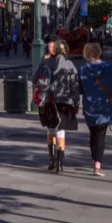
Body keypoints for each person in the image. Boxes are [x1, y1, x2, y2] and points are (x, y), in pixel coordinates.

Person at [79, 42, 112, 178]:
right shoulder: (108, 68)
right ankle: (97, 164)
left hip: (89, 106)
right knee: (100, 135)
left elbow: (80, 89)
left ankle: (94, 158)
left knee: (93, 133)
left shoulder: (83, 69)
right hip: (104, 105)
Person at [35, 39, 79, 174]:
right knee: (61, 132)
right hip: (65, 101)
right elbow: (74, 86)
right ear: (64, 50)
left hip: (49, 101)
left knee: (50, 131)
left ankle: (51, 160)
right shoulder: (70, 65)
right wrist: (76, 103)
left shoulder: (46, 62)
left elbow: (34, 78)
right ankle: (60, 164)